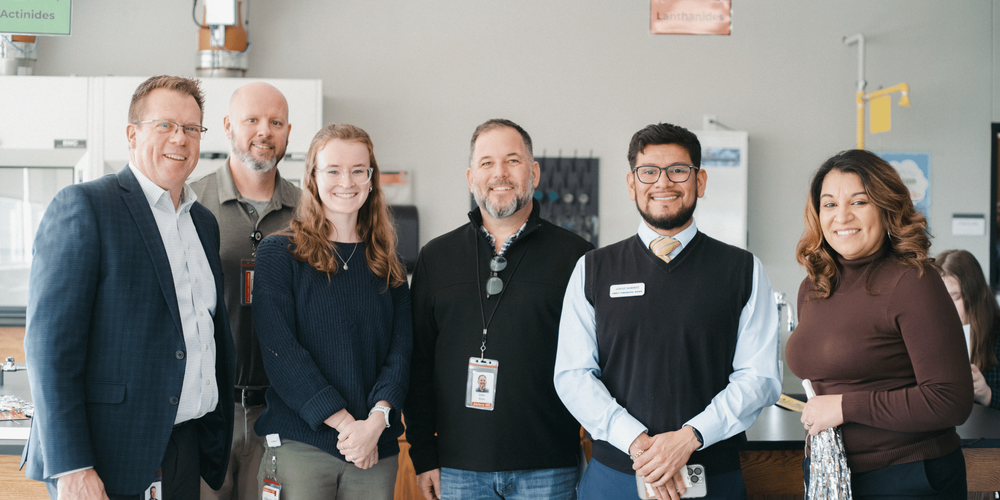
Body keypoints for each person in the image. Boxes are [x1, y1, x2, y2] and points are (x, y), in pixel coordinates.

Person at [22, 75, 235, 498]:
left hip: (184, 445)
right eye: (165, 125)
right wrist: (72, 466)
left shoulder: (203, 223)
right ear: (132, 134)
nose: (181, 138)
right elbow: (49, 348)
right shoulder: (86, 206)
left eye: (192, 128)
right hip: (107, 455)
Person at [554, 122, 781, 500]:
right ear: (632, 184)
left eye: (678, 170)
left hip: (714, 477)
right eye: (649, 172)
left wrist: (689, 438)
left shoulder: (742, 270)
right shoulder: (593, 269)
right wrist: (641, 445)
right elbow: (573, 375)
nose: (663, 182)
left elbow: (759, 378)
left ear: (700, 181)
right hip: (618, 477)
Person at [405, 119, 593, 500]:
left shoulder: (576, 257)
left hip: (549, 466)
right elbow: (418, 363)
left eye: (513, 160)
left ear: (534, 172)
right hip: (457, 468)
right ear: (472, 176)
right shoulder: (435, 258)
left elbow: (594, 364)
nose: (500, 173)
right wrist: (424, 454)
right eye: (487, 163)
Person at [786, 149, 974, 498]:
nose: (842, 216)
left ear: (886, 207)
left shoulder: (913, 282)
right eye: (829, 204)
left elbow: (951, 400)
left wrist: (844, 406)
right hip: (832, 473)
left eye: (858, 202)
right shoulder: (814, 286)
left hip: (907, 476)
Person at [251, 123, 411, 499]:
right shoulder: (280, 254)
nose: (347, 181)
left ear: (371, 180)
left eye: (359, 170)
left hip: (374, 450)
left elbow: (401, 353)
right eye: (333, 170)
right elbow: (281, 353)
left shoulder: (388, 262)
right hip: (301, 446)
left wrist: (374, 423)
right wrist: (347, 427)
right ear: (313, 177)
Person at [191, 82, 300, 500]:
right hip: (207, 410)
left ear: (288, 131)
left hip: (281, 413)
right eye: (252, 120)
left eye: (275, 122)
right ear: (226, 126)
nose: (264, 131)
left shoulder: (310, 212)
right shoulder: (190, 202)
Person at [934, 249, 1000, 410]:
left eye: (954, 297)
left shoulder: (996, 336)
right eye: (939, 298)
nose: (945, 308)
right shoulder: (928, 333)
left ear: (980, 294)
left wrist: (987, 395)